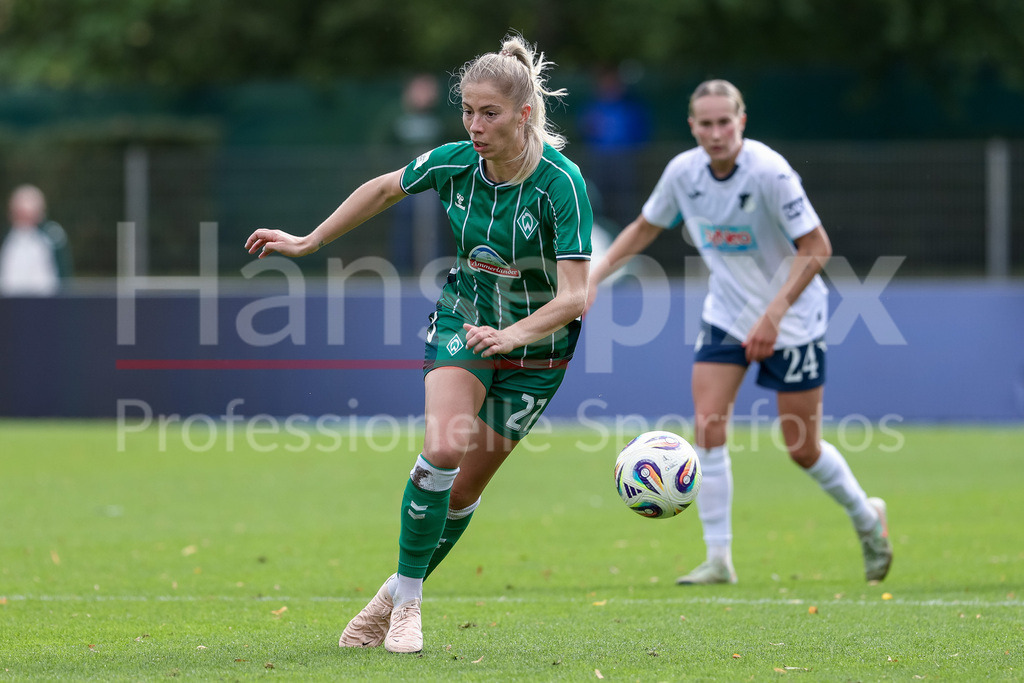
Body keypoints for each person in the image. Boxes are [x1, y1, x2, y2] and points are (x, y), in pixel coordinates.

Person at [245, 34, 593, 653]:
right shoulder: (455, 161)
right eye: (467, 110)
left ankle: (390, 597)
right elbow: (382, 189)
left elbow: (574, 297)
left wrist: (512, 334)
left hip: (537, 352)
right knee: (443, 447)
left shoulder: (561, 184)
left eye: (489, 113)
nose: (475, 125)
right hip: (465, 320)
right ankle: (410, 607)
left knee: (462, 495)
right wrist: (307, 242)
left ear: (524, 113)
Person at [586, 79, 892, 585]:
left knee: (802, 447)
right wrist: (593, 277)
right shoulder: (683, 173)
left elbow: (817, 248)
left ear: (741, 122)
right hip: (726, 314)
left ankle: (866, 517)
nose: (715, 132)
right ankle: (719, 559)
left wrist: (772, 315)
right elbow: (644, 227)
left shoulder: (769, 172)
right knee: (708, 426)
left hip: (791, 320)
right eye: (705, 124)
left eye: (724, 122)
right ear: (693, 127)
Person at [0, 184, 72, 296]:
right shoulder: (5, 237)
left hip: (45, 304)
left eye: (29, 215)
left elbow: (63, 274)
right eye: (21, 215)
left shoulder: (52, 236)